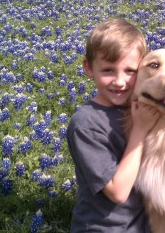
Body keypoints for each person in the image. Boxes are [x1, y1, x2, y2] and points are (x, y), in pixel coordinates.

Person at [67, 18, 158, 232]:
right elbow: (118, 192)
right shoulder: (86, 124)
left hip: (145, 224)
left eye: (130, 71)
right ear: (88, 68)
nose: (119, 81)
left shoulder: (144, 106)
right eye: (108, 70)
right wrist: (140, 130)